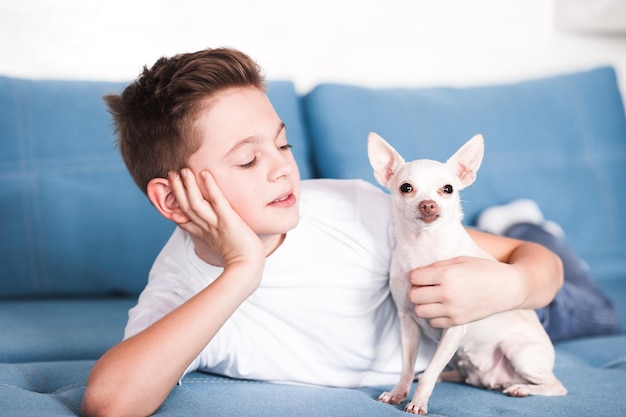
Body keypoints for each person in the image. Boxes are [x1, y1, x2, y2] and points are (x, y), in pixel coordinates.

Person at [82, 47, 568, 417]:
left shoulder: (352, 206)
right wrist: (243, 269)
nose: (282, 170)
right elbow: (110, 402)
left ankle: (518, 217)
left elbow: (536, 262)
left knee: (572, 295)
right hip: (441, 346)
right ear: (172, 200)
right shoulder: (183, 290)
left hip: (484, 314)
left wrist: (514, 285)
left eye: (283, 145)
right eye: (249, 160)